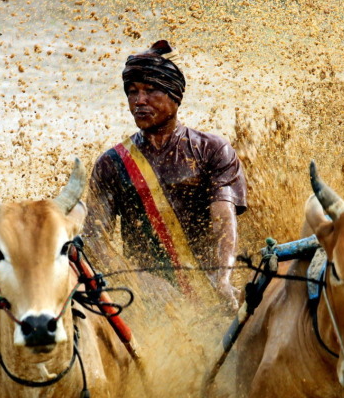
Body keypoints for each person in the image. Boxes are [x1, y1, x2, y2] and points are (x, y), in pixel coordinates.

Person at [85, 40, 247, 310]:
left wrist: (222, 279)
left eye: (151, 91)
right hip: (142, 300)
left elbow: (223, 221)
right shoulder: (111, 163)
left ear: (175, 95)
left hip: (208, 292)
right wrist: (139, 281)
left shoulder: (212, 150)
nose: (139, 101)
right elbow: (94, 239)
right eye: (132, 92)